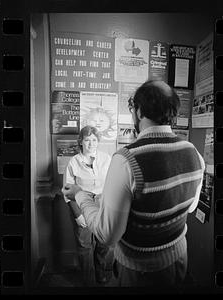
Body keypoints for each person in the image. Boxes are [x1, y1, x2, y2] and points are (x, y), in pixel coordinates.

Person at [62, 80, 205, 288]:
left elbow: (108, 235)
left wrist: (79, 194)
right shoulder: (193, 152)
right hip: (180, 260)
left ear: (138, 112)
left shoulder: (126, 159)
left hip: (139, 271)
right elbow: (191, 206)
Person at [63, 125, 113, 286]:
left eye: (94, 140)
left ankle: (100, 272)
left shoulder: (107, 159)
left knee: (103, 241)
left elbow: (112, 184)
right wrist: (77, 214)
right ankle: (88, 279)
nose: (91, 143)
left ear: (98, 141)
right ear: (81, 142)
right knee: (85, 245)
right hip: (81, 203)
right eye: (87, 140)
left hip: (102, 203)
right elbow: (67, 191)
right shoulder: (73, 162)